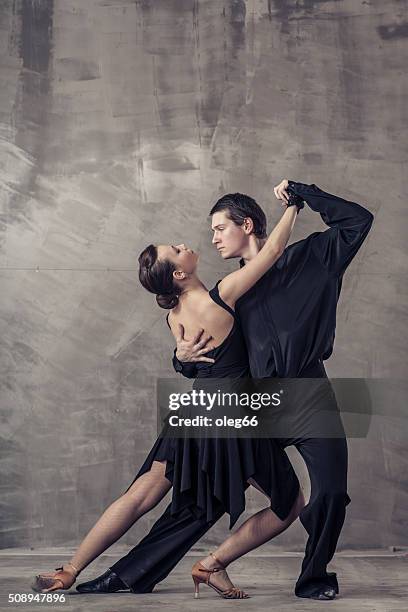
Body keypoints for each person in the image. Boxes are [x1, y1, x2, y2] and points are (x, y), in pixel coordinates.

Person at [76, 179, 373, 601]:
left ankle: (314, 578)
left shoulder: (315, 257)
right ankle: (128, 575)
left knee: (330, 492)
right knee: (203, 501)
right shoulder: (234, 292)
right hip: (253, 406)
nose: (212, 238)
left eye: (219, 228)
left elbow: (360, 220)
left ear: (246, 224)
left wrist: (305, 194)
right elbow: (215, 361)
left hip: (308, 395)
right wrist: (181, 358)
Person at [32, 184, 305, 600]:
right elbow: (270, 253)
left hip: (193, 411)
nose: (184, 244)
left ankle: (69, 570)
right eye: (176, 250)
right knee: (289, 503)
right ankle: (214, 564)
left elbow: (190, 363)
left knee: (142, 492)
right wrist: (295, 207)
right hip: (231, 415)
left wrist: (179, 358)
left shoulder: (175, 317)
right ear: (179, 273)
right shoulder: (222, 295)